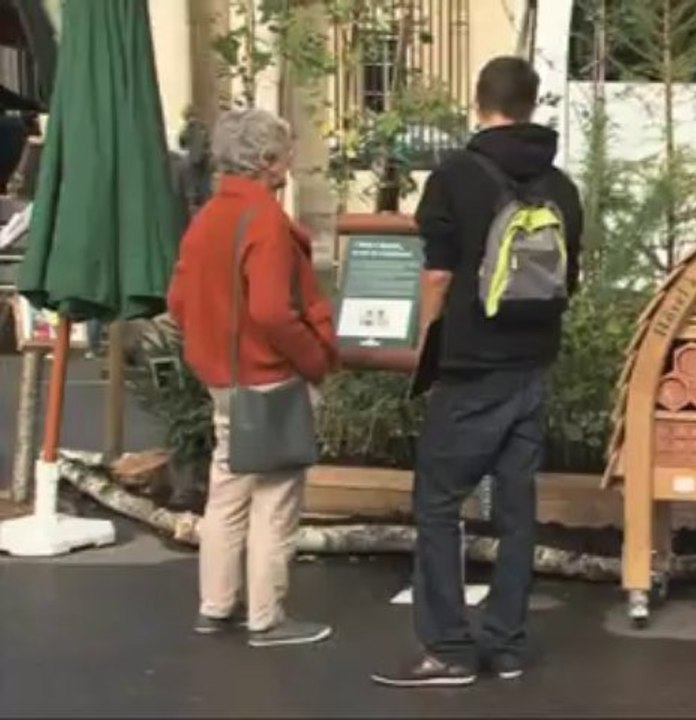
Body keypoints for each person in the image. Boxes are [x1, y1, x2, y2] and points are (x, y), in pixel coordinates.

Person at [369, 56, 582, 688]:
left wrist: (426, 340)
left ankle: (449, 648)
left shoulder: (455, 177)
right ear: (533, 102)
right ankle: (508, 643)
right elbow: (570, 280)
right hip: (533, 366)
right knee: (517, 509)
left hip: (471, 369)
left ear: (478, 100)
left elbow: (436, 273)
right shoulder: (562, 187)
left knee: (437, 501)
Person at [167, 108, 338, 648]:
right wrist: (313, 358)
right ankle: (267, 616)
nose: (291, 161)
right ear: (268, 161)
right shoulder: (263, 219)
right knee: (276, 496)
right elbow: (270, 309)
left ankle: (216, 605)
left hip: (223, 375)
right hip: (268, 375)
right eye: (286, 151)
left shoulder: (208, 216)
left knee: (229, 489)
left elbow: (177, 300)